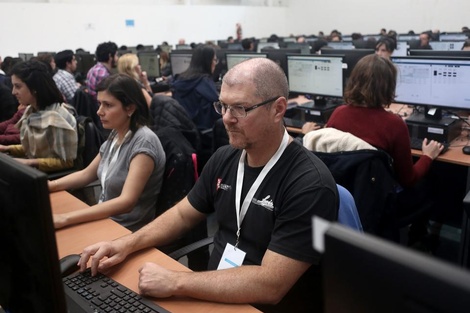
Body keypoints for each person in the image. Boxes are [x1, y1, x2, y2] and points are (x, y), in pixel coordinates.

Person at [78, 58, 338, 313]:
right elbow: (182, 214)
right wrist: (126, 244)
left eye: (240, 108)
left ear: (278, 109)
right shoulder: (225, 158)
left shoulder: (309, 184)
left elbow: (271, 284)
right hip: (214, 292)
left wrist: (175, 281)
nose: (226, 118)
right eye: (223, 106)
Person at [324, 54, 442, 243]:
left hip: (341, 200)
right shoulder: (394, 124)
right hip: (377, 203)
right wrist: (428, 156)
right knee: (432, 183)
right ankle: (420, 238)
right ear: (388, 86)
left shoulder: (338, 114)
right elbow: (408, 179)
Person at [48, 74, 165, 232]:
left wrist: (67, 218)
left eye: (108, 105)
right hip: (106, 220)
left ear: (130, 108)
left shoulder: (144, 142)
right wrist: (49, 186)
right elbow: (85, 175)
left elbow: (126, 201)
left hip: (125, 231)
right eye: (99, 104)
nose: (99, 112)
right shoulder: (117, 134)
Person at [0, 60, 78, 172]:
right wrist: (7, 148)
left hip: (52, 179)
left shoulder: (58, 119)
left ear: (34, 88)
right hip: (36, 172)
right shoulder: (31, 111)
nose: (13, 92)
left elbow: (66, 161)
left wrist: (29, 162)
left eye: (18, 86)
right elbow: (34, 148)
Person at [171, 44, 219, 131]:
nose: (215, 63)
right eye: (215, 60)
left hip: (186, 132)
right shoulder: (204, 82)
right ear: (208, 62)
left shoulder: (180, 79)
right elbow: (217, 108)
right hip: (204, 134)